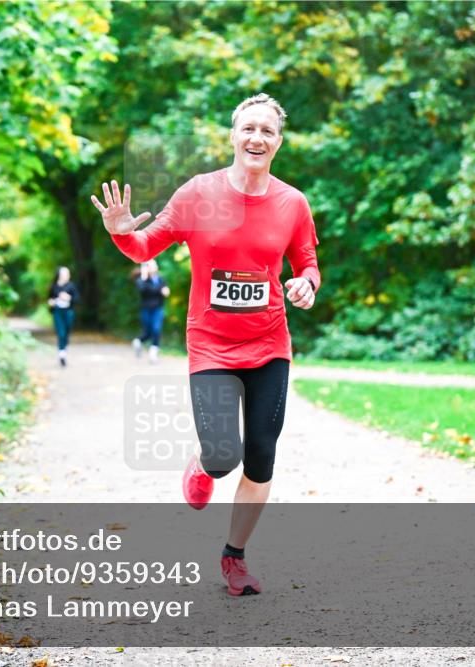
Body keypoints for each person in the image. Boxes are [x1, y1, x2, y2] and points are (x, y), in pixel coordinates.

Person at [91, 93, 320, 597]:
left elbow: (307, 262)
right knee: (222, 456)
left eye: (268, 131)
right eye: (249, 128)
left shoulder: (292, 203)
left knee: (262, 456)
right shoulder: (199, 193)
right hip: (212, 345)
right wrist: (118, 232)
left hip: (269, 343)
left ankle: (234, 557)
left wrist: (306, 284)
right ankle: (203, 463)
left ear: (278, 142)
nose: (257, 138)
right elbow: (145, 244)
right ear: (233, 135)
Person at [132, 259, 170, 363]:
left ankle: (153, 353)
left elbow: (166, 291)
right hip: (146, 309)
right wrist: (144, 279)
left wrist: (163, 290)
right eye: (151, 265)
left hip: (158, 309)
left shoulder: (161, 279)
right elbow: (142, 289)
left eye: (154, 265)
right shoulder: (142, 281)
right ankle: (138, 342)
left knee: (156, 329)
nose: (153, 267)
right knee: (148, 332)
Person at [47, 266, 80, 367]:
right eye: (64, 274)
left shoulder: (71, 286)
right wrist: (51, 302)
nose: (66, 276)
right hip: (57, 311)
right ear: (59, 275)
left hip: (68, 311)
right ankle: (61, 353)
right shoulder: (53, 286)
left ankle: (63, 350)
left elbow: (77, 299)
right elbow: (49, 299)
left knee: (67, 331)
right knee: (61, 332)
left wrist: (68, 298)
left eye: (67, 274)